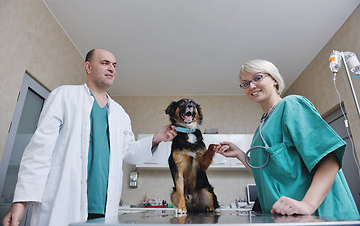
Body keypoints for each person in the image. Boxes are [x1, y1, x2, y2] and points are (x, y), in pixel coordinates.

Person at [2, 49, 177, 226]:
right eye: (105, 63)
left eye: (114, 65)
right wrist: (21, 201)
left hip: (103, 210)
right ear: (88, 66)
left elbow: (128, 152)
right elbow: (40, 150)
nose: (112, 69)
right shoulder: (64, 96)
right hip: (64, 204)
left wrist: (156, 138)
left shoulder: (120, 114)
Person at [214, 59, 359, 218]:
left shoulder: (291, 105)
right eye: (245, 83)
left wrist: (308, 204)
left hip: (319, 216)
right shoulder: (261, 129)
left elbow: (329, 159)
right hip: (284, 217)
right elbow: (264, 173)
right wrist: (240, 155)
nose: (251, 86)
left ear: (274, 80)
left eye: (257, 78)